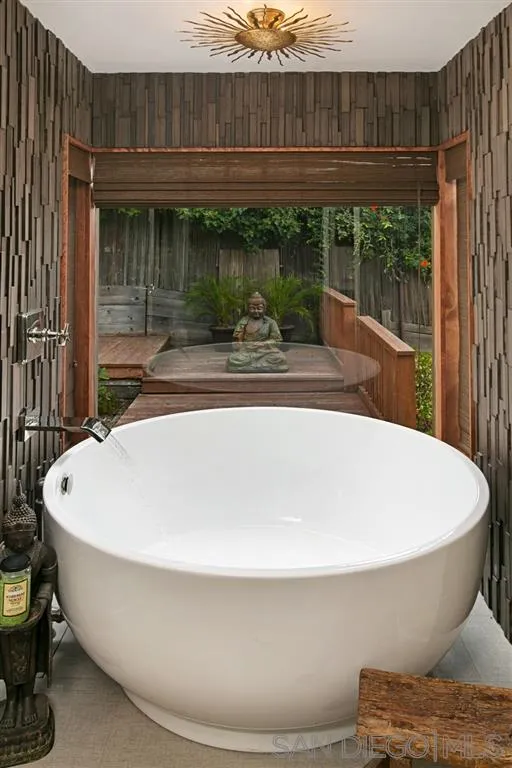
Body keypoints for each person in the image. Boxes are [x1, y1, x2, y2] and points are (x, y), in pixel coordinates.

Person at [0, 485, 57, 729]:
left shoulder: (42, 552)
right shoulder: (2, 554)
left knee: (30, 657)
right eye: (14, 538)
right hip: (6, 615)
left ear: (33, 533)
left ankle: (27, 697)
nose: (20, 542)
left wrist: (40, 605)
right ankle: (12, 699)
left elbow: (48, 581)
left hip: (32, 613)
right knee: (7, 660)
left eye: (25, 537)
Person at [226, 292, 289, 373]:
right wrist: (239, 344)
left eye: (259, 308)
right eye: (252, 308)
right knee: (234, 359)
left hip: (264, 351)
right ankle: (257, 364)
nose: (256, 311)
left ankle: (254, 364)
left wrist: (262, 344)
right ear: (248, 309)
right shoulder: (243, 322)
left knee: (280, 358)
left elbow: (277, 340)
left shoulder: (270, 322)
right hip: (247, 351)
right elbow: (237, 341)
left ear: (264, 308)